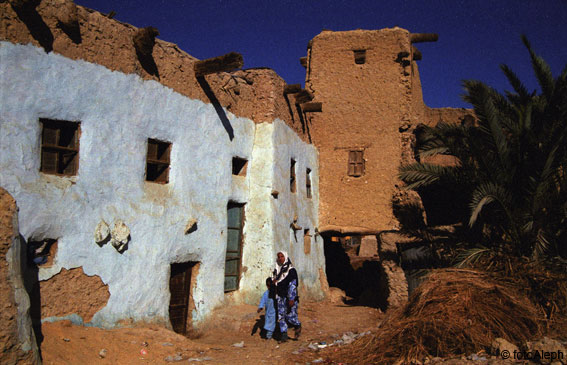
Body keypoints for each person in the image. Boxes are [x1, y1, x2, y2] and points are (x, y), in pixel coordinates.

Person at [271, 251, 301, 342]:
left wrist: (291, 298)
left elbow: (293, 285)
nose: (280, 258)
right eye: (279, 257)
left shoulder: (291, 270)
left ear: (286, 257)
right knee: (281, 316)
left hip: (289, 297)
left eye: (282, 256)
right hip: (280, 296)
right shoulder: (277, 270)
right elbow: (274, 280)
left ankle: (297, 325)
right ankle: (284, 335)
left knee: (290, 316)